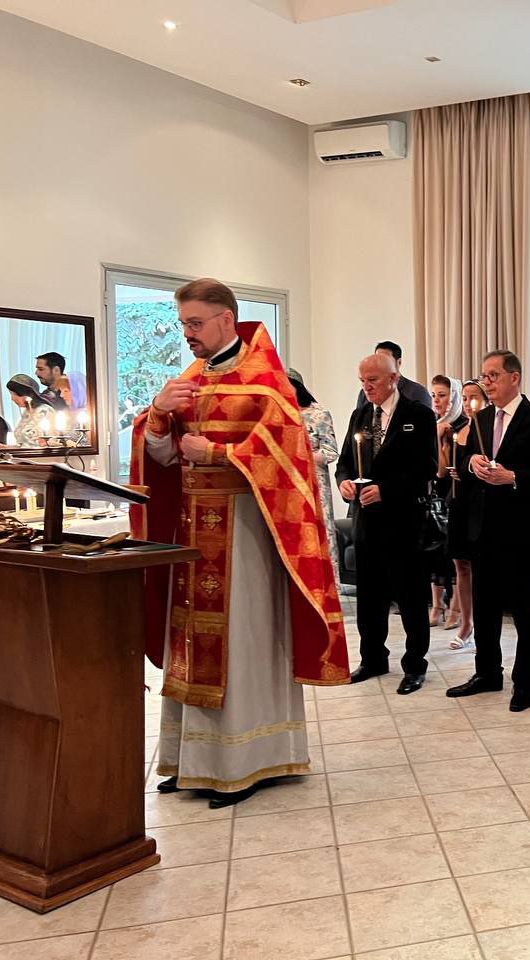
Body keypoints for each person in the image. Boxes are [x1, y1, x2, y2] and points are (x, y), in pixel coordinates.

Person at [130, 278, 349, 808]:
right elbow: (163, 457)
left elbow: (289, 455)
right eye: (183, 324)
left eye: (195, 323)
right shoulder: (188, 379)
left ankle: (244, 763)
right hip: (192, 534)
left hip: (247, 536)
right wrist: (157, 413)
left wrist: (218, 455)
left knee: (243, 643)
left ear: (226, 319)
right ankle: (190, 761)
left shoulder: (266, 381)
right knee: (190, 644)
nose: (187, 333)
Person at [447, 350, 530, 712]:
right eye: (484, 376)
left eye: (493, 375)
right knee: (484, 607)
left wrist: (513, 477)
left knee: (525, 611)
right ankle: (487, 673)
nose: (487, 382)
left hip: (519, 530)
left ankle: (525, 682)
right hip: (481, 528)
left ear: (514, 377)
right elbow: (462, 465)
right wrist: (471, 462)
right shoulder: (480, 418)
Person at [337, 352, 439, 694]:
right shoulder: (360, 415)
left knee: (410, 597)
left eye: (373, 380)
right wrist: (345, 482)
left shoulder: (418, 415)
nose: (366, 387)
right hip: (366, 522)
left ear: (394, 379)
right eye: (362, 381)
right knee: (370, 597)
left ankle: (415, 665)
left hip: (404, 521)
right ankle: (373, 658)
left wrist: (386, 490)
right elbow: (345, 463)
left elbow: (426, 470)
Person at [286, 368, 342, 587]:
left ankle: (329, 585)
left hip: (314, 483)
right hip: (289, 485)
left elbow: (331, 452)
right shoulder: (280, 414)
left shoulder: (318, 413)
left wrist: (303, 455)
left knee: (321, 534)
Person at [445, 379, 488, 650]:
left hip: (479, 504)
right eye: (464, 397)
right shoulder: (458, 429)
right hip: (458, 502)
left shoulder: (487, 430)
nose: (469, 403)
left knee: (479, 565)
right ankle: (466, 622)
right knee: (460, 564)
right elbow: (445, 468)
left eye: (474, 397)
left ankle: (480, 622)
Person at [429, 375, 465, 628]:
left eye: (442, 395)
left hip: (453, 496)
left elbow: (442, 470)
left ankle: (455, 607)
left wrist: (438, 439)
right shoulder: (435, 424)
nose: (437, 400)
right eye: (433, 395)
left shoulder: (459, 426)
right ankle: (437, 604)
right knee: (435, 555)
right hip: (433, 497)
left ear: (453, 397)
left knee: (454, 558)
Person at [351, 340, 434, 411]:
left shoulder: (417, 392)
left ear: (399, 363)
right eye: (377, 359)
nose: (380, 364)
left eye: (385, 360)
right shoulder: (364, 393)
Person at [4, 374, 52, 447]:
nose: (12, 398)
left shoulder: (45, 410)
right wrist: (6, 447)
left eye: (15, 394)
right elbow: (22, 444)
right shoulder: (26, 412)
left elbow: (52, 441)